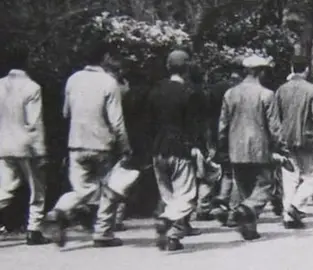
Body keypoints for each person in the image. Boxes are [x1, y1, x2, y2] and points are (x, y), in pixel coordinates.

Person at [44, 43, 132, 248]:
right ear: (104, 57)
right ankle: (103, 233)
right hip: (102, 143)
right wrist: (125, 146)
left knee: (82, 188)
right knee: (109, 190)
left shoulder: (72, 80)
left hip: (76, 142)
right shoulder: (109, 82)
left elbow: (66, 112)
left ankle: (60, 210)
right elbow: (116, 121)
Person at [218, 54, 288, 240]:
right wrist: (280, 146)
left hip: (236, 148)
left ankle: (250, 229)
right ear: (260, 71)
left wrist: (222, 146)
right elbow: (274, 127)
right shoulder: (266, 94)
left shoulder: (230, 93)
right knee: (266, 185)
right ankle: (248, 211)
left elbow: (223, 124)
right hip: (259, 148)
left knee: (244, 189)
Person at [145, 50, 206, 251]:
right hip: (180, 147)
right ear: (187, 68)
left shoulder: (155, 91)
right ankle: (168, 221)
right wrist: (197, 147)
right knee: (186, 195)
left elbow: (150, 123)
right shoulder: (189, 93)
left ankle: (173, 237)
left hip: (158, 147)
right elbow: (193, 124)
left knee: (168, 195)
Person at [0, 46, 51, 245]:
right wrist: (41, 151)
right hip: (26, 145)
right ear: (26, 61)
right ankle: (34, 230)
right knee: (37, 189)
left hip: (2, 144)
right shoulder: (32, 87)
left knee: (4, 189)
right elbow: (35, 122)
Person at [275, 56, 313, 229]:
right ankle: (296, 205)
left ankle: (288, 216)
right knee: (312, 176)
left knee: (290, 177)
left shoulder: (282, 89)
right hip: (307, 139)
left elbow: (276, 116)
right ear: (307, 70)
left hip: (285, 139)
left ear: (291, 67)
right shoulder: (312, 90)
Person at [209, 56, 245, 227]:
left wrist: (215, 140)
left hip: (221, 136)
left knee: (227, 173)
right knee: (238, 176)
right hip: (239, 138)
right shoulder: (241, 91)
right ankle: (232, 211)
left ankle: (222, 201)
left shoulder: (217, 89)